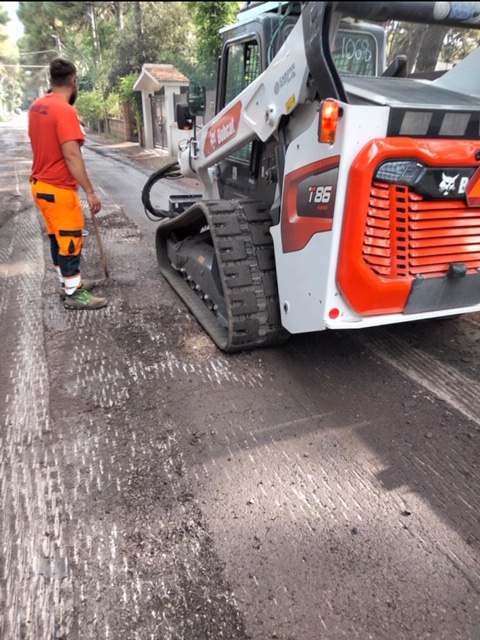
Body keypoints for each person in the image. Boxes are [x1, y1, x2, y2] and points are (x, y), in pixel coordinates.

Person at [28, 57, 108, 310]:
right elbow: (72, 155)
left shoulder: (37, 106)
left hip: (40, 186)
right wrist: (91, 192)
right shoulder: (65, 111)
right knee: (71, 240)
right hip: (58, 189)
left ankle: (68, 284)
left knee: (57, 238)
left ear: (51, 81)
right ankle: (74, 294)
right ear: (74, 83)